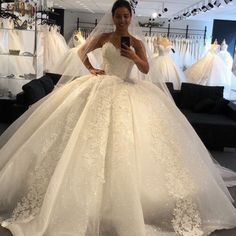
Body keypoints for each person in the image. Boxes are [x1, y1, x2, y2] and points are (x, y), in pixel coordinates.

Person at [1, 1, 236, 235]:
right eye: (118, 16)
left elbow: (145, 69)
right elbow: (81, 52)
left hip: (129, 89)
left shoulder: (137, 43)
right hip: (99, 87)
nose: (122, 20)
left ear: (131, 17)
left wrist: (133, 56)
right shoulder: (103, 37)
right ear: (113, 17)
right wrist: (92, 69)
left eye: (126, 16)